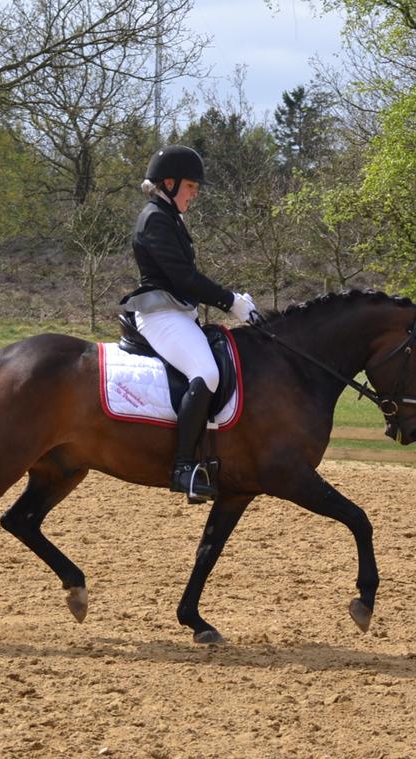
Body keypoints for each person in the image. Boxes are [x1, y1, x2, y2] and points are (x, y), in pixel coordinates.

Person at [120, 145, 257, 501]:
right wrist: (231, 302)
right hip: (160, 315)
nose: (194, 195)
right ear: (169, 182)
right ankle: (183, 468)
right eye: (191, 187)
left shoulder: (169, 217)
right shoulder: (155, 219)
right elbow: (183, 277)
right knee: (207, 374)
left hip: (178, 312)